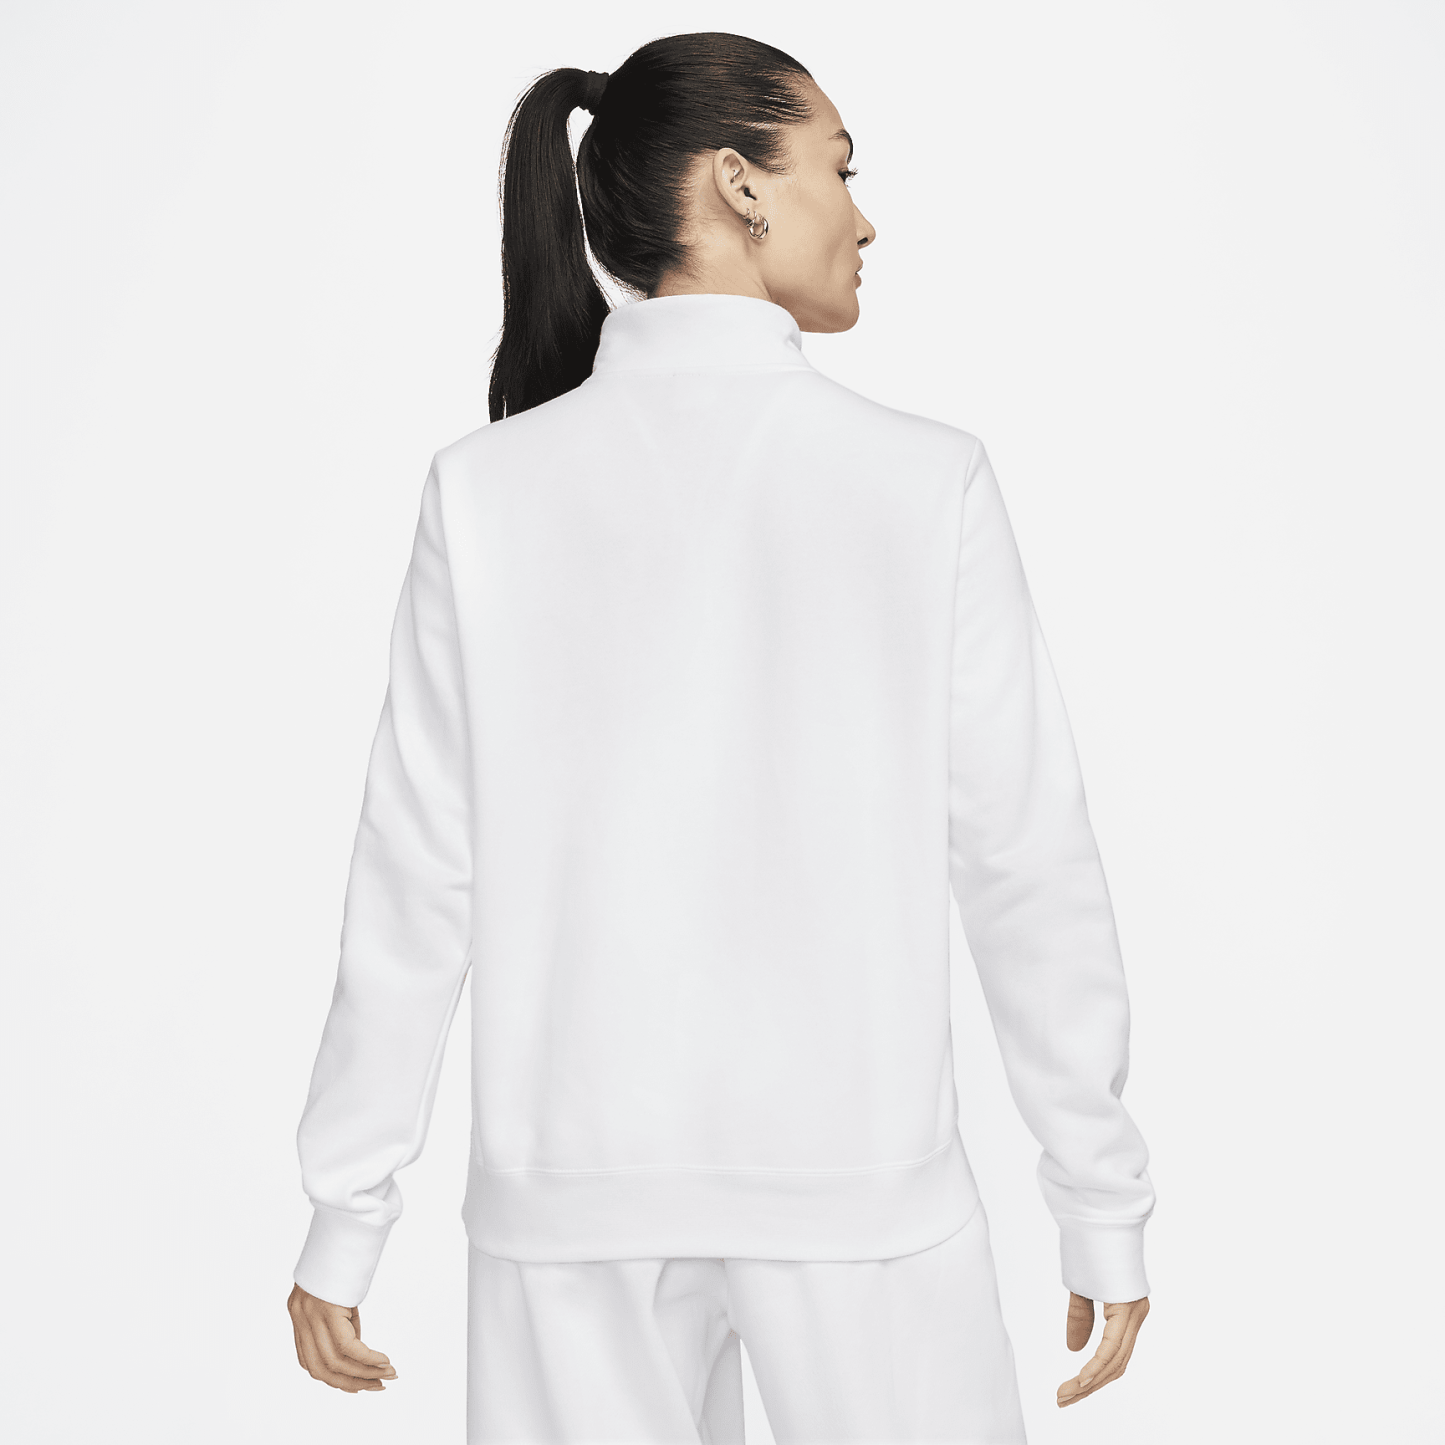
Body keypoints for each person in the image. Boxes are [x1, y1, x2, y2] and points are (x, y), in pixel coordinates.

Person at [286, 30, 1155, 1443]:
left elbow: (415, 874)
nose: (863, 217)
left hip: (571, 1207)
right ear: (740, 184)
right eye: (839, 170)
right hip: (862, 1197)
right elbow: (1024, 863)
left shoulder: (487, 492)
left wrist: (346, 1207)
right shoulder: (923, 483)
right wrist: (1098, 1193)